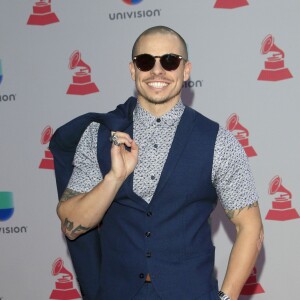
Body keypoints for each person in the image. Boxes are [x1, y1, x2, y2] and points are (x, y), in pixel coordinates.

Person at [50, 26, 264, 300]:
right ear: (133, 70)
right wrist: (113, 179)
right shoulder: (100, 135)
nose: (157, 71)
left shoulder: (218, 141)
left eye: (170, 61)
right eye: (146, 61)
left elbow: (250, 227)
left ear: (185, 70)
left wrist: (227, 298)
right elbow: (71, 224)